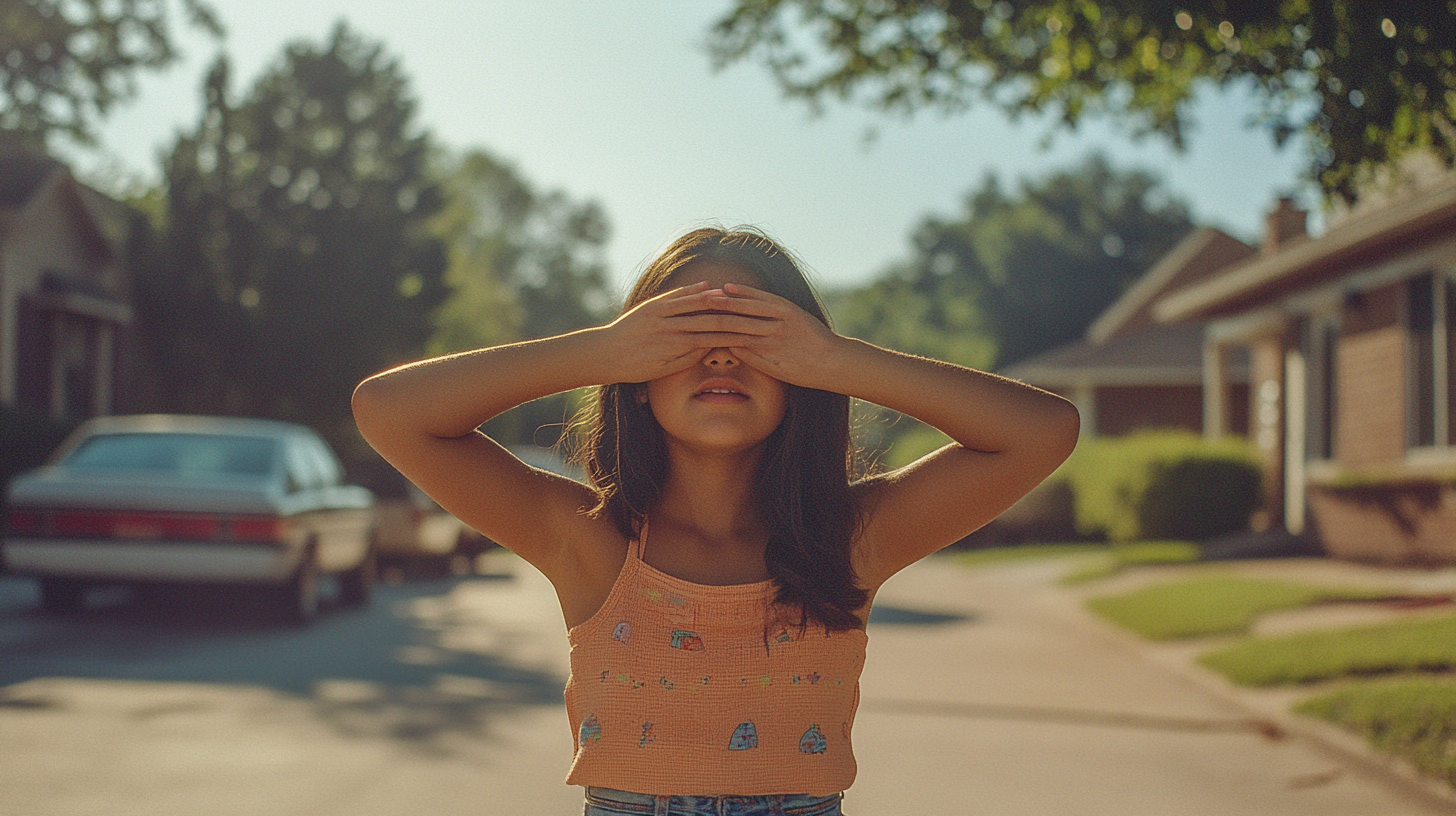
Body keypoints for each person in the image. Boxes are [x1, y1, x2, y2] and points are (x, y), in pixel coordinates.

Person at [352, 227, 1079, 815]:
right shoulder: (589, 540)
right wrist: (605, 350)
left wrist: (832, 359)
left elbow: (1044, 430)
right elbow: (388, 412)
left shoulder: (850, 540)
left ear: (802, 379)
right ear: (637, 383)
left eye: (760, 335)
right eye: (686, 331)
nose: (724, 352)